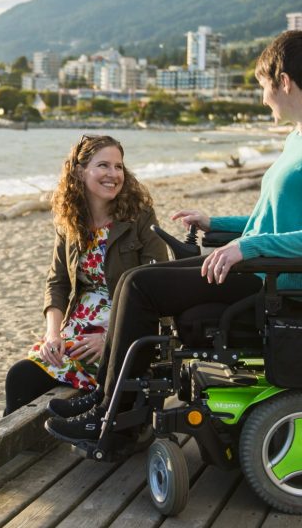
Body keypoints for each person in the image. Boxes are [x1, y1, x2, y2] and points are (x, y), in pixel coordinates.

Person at [45, 30, 302, 442]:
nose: (264, 98)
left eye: (264, 88)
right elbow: (270, 218)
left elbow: (278, 237)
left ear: (284, 81)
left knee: (143, 285)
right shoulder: (295, 139)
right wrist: (217, 224)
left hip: (274, 278)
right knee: (133, 282)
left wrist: (247, 246)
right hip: (254, 263)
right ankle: (104, 402)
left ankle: (113, 414)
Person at [3, 135, 168, 416]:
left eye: (118, 166)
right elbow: (57, 283)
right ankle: (19, 451)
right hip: (76, 330)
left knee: (103, 380)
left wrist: (110, 338)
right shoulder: (70, 220)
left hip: (125, 328)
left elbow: (155, 287)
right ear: (80, 171)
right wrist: (52, 335)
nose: (113, 174)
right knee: (21, 376)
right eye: (103, 165)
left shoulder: (139, 216)